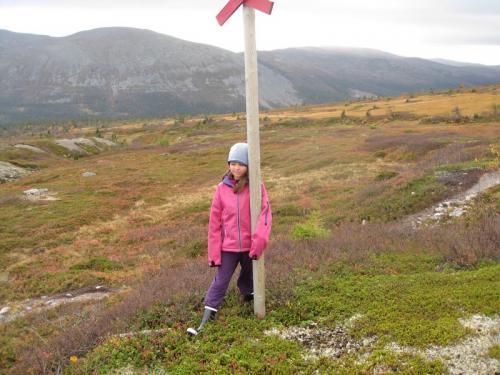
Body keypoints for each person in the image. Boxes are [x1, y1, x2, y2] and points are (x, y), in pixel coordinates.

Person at [187, 142, 272, 336]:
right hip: (229, 248)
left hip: (251, 246)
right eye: (233, 163)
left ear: (249, 166)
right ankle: (204, 323)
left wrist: (259, 242)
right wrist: (214, 253)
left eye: (240, 164)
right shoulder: (221, 189)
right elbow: (214, 223)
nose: (236, 167)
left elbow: (265, 215)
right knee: (220, 282)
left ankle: (250, 307)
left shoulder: (257, 187)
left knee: (250, 278)